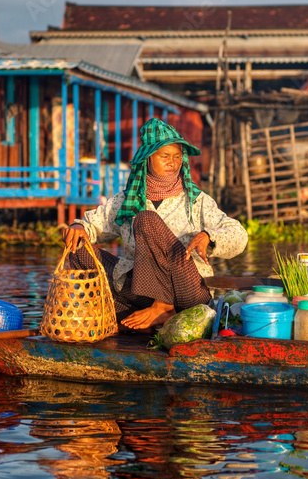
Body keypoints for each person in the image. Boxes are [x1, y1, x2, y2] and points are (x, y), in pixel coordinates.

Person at [61, 118, 248, 332]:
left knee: (146, 219)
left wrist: (209, 236)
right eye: (165, 156)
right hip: (144, 293)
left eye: (178, 156)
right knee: (77, 250)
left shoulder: (197, 201)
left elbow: (239, 235)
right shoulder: (127, 199)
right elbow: (93, 224)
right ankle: (147, 315)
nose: (173, 162)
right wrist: (79, 228)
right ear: (148, 159)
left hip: (188, 290)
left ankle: (164, 308)